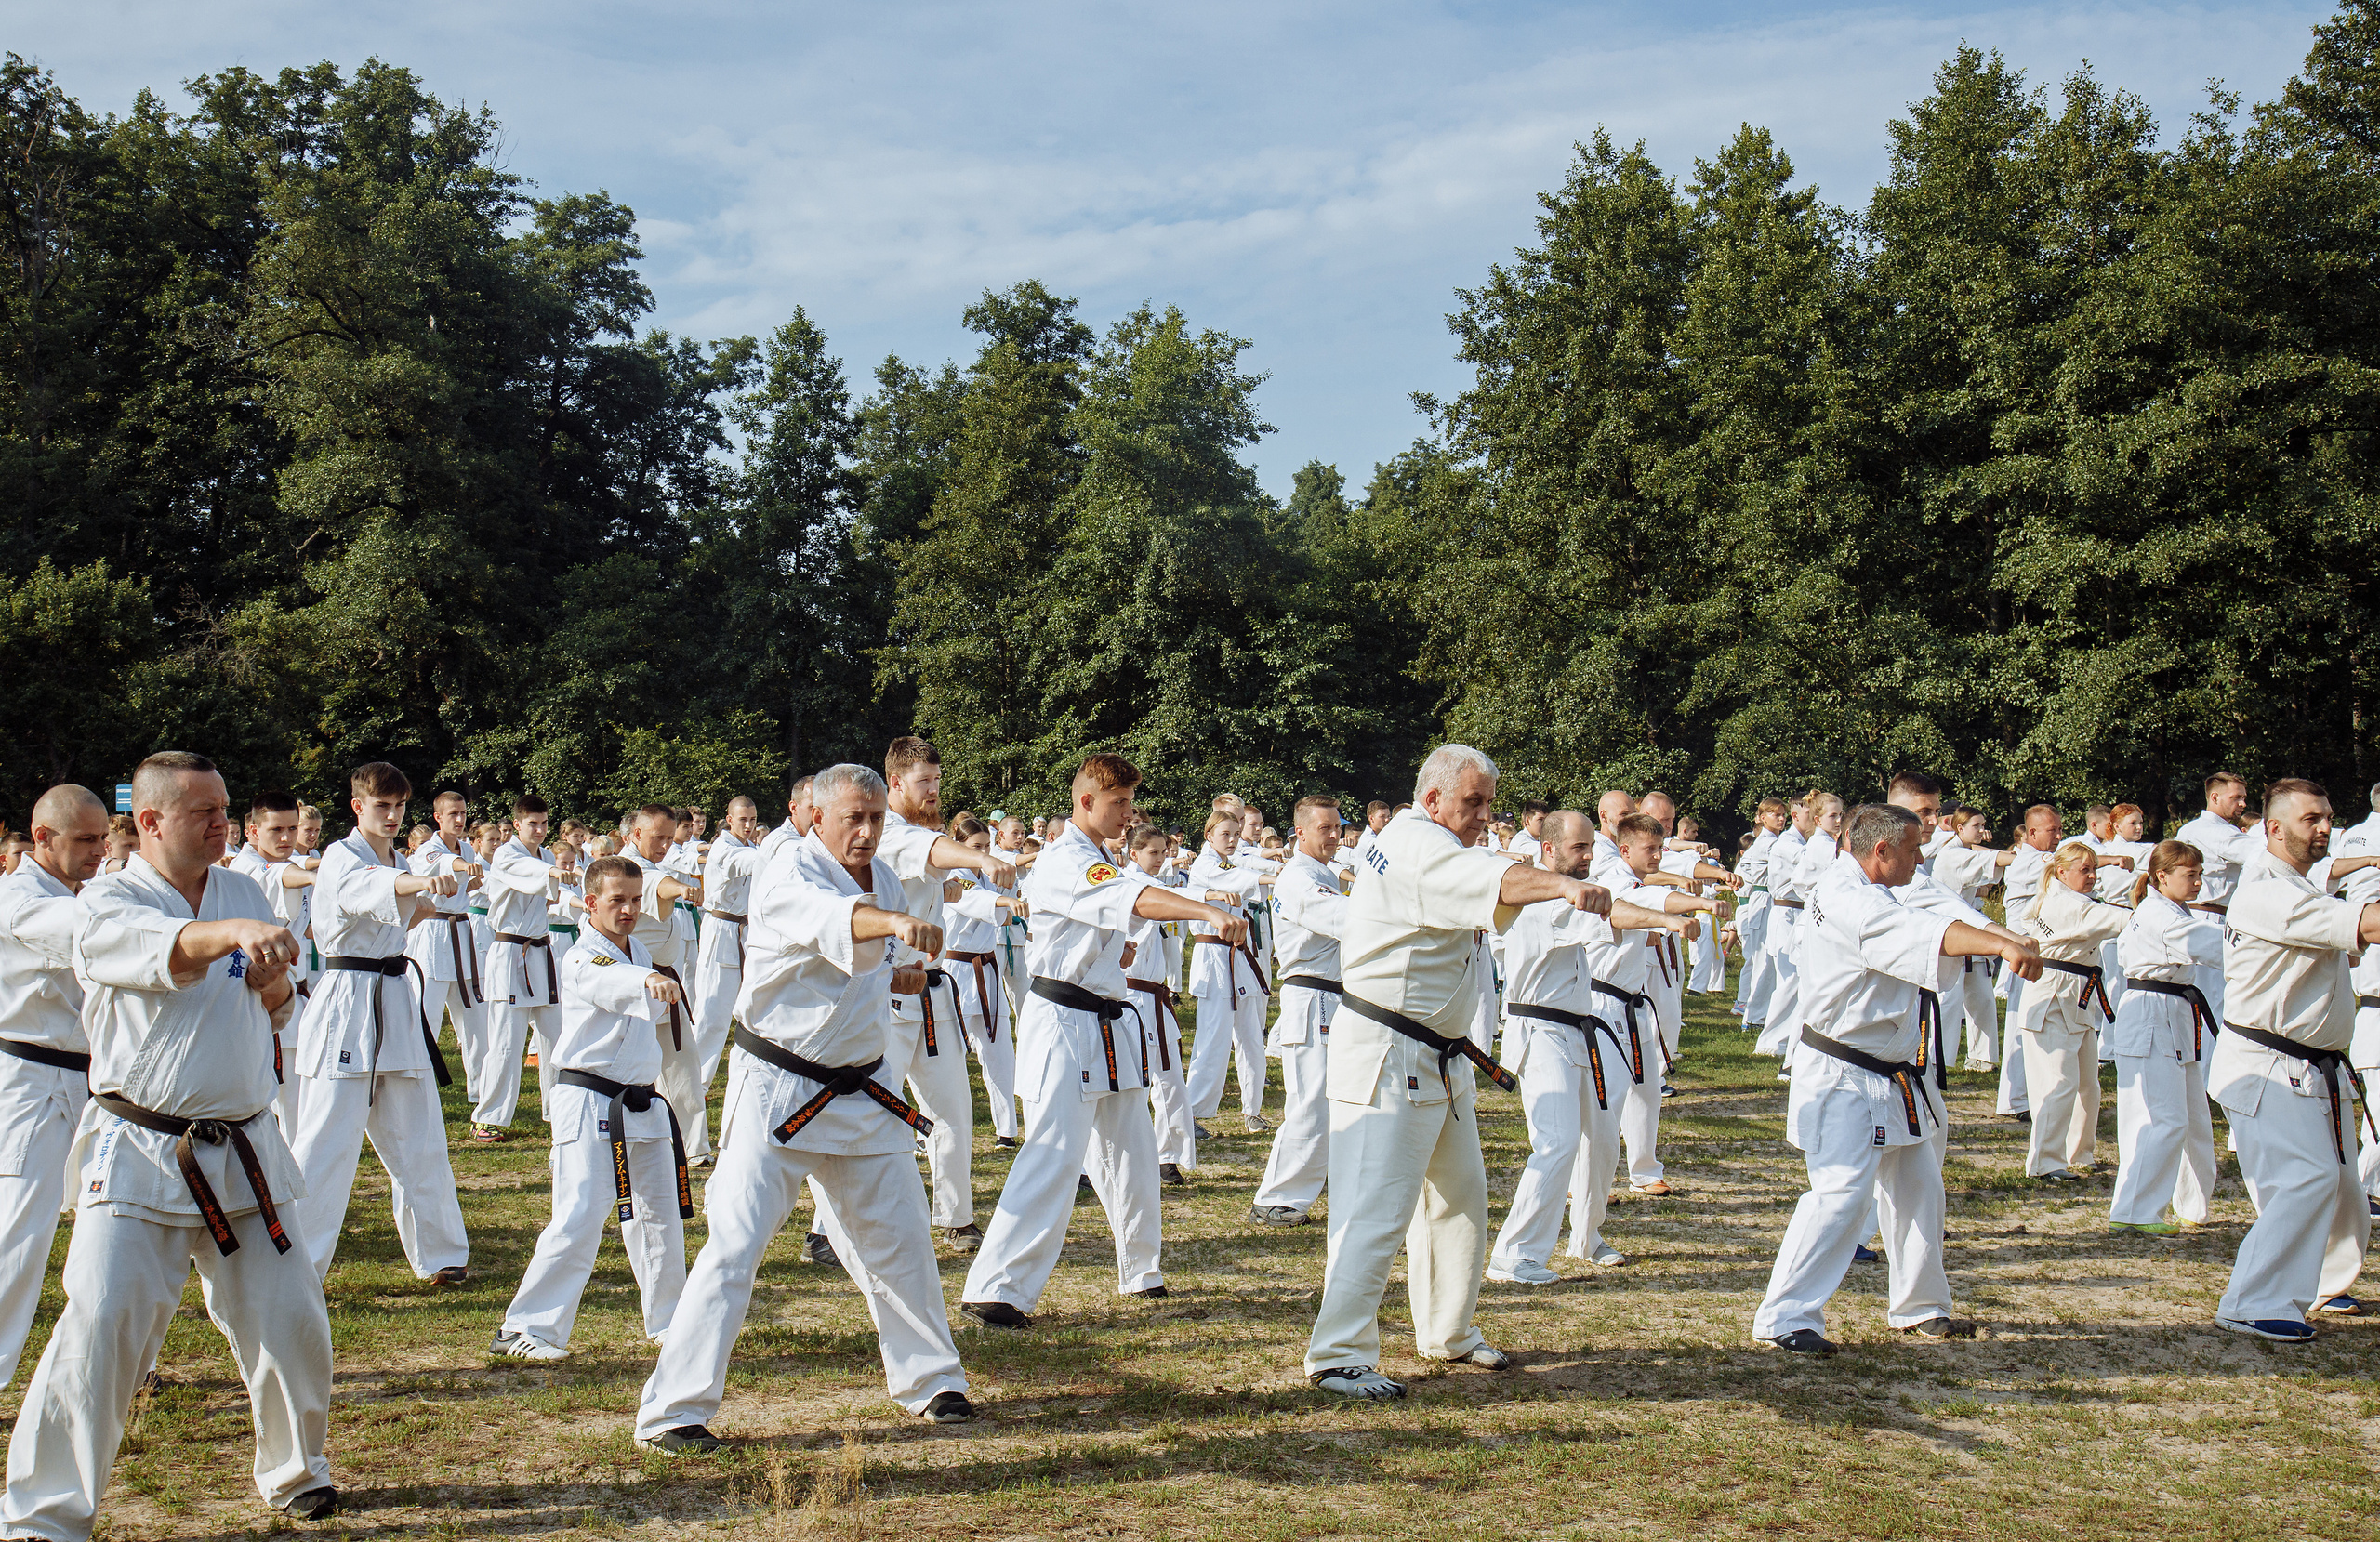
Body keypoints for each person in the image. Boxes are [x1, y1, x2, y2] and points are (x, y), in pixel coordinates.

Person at [1, 752, 338, 1535]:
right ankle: (44, 1510)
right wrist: (236, 934)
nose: (222, 823)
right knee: (102, 1323)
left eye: (224, 808)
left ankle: (297, 1471)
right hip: (141, 1147)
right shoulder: (109, 901)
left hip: (246, 1146)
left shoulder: (245, 889)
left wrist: (272, 980)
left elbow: (278, 1006)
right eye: (203, 812)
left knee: (292, 1319)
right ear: (149, 822)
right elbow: (168, 951)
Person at [637, 764, 972, 1450]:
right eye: (853, 817)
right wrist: (899, 922)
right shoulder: (785, 867)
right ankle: (673, 1410)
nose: (868, 830)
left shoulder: (880, 875)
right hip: (779, 1089)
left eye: (876, 818)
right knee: (735, 1246)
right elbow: (835, 921)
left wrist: (896, 969)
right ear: (815, 816)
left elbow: (857, 968)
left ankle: (933, 1378)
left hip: (864, 1088)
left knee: (903, 1238)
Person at [1302, 745, 1613, 1401]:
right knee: (1374, 1207)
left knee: (1460, 1198)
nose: (1484, 815)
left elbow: (1485, 872)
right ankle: (1337, 1353)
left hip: (1435, 1054)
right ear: (1435, 797)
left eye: (1490, 803)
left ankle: (1447, 1330)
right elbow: (1499, 882)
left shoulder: (1424, 841)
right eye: (1473, 802)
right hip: (1389, 1051)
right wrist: (1561, 882)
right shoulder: (1417, 844)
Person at [959, 755, 1246, 1328]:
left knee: (1134, 1152)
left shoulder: (1100, 855)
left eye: (1131, 802)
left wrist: (1110, 953)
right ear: (1086, 802)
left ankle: (1141, 1271)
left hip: (1109, 1020)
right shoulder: (1068, 857)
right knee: (1052, 1155)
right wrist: (1206, 910)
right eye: (1118, 804)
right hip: (1063, 1022)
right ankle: (996, 1287)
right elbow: (1135, 900)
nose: (1128, 814)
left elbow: (1124, 897)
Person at [1752, 803, 2040, 1356]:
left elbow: (1934, 905)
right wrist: (2001, 946)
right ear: (1880, 851)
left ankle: (1920, 1305)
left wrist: (1999, 930)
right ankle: (1784, 1315)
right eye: (1913, 849)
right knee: (1839, 1196)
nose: (1922, 857)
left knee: (1918, 1187)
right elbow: (1922, 931)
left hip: (1890, 1074)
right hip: (1842, 1072)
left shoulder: (1874, 885)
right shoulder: (1852, 901)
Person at [492, 855, 691, 1361]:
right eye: (616, 900)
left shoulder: (638, 946)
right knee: (579, 1214)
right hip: (588, 1098)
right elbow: (611, 981)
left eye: (634, 899)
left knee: (659, 1215)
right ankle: (525, 1327)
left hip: (639, 1100)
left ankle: (670, 1320)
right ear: (590, 903)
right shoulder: (583, 956)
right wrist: (646, 981)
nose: (627, 909)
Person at [1489, 810, 1696, 1283]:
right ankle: (1515, 1253)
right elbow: (1615, 911)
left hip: (1579, 1029)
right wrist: (1666, 920)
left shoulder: (1566, 893)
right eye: (1578, 848)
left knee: (1602, 1138)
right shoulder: (1545, 897)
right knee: (1557, 1142)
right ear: (1549, 849)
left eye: (1589, 846)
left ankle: (1587, 1236)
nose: (1587, 856)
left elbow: (1615, 905)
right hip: (1540, 1032)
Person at [2206, 779, 2380, 1339]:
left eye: (2328, 816)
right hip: (2267, 1065)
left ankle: (2324, 1284)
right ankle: (2252, 1300)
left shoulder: (2300, 886)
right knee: (2305, 1180)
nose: (2325, 827)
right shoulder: (2265, 891)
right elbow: (2368, 925)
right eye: (2312, 819)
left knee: (2344, 1189)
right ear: (2274, 828)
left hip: (2312, 1065)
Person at [287, 762, 470, 1284]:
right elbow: (376, 887)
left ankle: (441, 1255)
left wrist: (442, 888)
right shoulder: (341, 859)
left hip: (394, 995)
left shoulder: (400, 857)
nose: (392, 817)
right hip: (347, 1000)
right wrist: (419, 879)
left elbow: (407, 909)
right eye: (381, 806)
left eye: (399, 807)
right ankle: (296, 1265)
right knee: (325, 1143)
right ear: (357, 806)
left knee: (421, 1134)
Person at [877, 738, 1017, 1251]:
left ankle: (956, 1217)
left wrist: (964, 887)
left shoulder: (924, 831)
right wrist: (983, 860)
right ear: (895, 783)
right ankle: (826, 1230)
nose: (934, 791)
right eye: (923, 783)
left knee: (954, 1109)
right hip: (886, 990)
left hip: (932, 991)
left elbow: (935, 878)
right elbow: (930, 855)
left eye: (937, 782)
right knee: (874, 1106)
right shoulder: (886, 830)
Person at [0, 785, 107, 1390]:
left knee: (112, 1223)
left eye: (102, 838)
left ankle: (117, 1359)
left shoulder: (81, 892)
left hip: (88, 1080)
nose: (98, 851)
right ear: (42, 837)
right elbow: (82, 929)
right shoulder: (19, 899)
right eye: (85, 840)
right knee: (21, 1232)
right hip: (28, 1082)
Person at [2107, 841, 2224, 1233]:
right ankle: (2134, 1211)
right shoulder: (2160, 915)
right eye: (2190, 875)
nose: (2197, 882)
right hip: (2152, 1014)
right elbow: (2211, 946)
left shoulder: (2172, 910)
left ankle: (2193, 1205)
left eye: (2199, 874)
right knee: (2163, 1119)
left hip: (2175, 1012)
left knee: (2194, 1119)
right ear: (2162, 876)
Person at [1250, 795, 1350, 1227]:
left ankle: (1329, 1184)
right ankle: (1278, 1197)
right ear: (1301, 832)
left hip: (1336, 995)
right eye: (1324, 829)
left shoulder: (1323, 873)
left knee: (1339, 1099)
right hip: (1312, 996)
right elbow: (1343, 919)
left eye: (1337, 828)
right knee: (1310, 1100)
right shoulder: (1298, 878)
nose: (1333, 836)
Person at [2008, 842, 2128, 1181]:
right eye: (2084, 870)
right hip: (2053, 996)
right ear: (2062, 872)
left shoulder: (2067, 898)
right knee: (2059, 1080)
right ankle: (2045, 1161)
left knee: (2088, 1084)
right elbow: (2121, 919)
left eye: (2094, 870)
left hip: (2077, 997)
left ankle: (2080, 1152)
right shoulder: (2068, 905)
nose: (2092, 877)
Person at [476, 796, 565, 1142]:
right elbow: (528, 875)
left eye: (544, 823)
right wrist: (553, 871)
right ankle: (489, 1117)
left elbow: (554, 894)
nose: (540, 830)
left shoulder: (544, 856)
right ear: (516, 824)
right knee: (506, 1041)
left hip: (540, 952)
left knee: (554, 1037)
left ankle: (558, 1109)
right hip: (510, 952)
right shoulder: (506, 854)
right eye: (533, 823)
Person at [229, 792, 318, 1132]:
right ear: (252, 831)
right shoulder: (246, 867)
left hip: (292, 991)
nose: (286, 838)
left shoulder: (294, 864)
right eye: (275, 830)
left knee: (295, 1100)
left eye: (292, 829)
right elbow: (282, 875)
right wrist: (317, 875)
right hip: (256, 994)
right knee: (283, 1101)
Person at [685, 797, 765, 1166]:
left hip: (748, 934)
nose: (747, 825)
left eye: (752, 820)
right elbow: (749, 863)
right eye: (742, 819)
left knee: (756, 1017)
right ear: (728, 820)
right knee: (711, 1025)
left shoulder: (753, 846)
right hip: (721, 931)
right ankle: (688, 1124)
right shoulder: (723, 848)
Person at [1185, 810, 1270, 1134]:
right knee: (1213, 1038)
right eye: (1226, 834)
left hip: (1240, 956)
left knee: (1251, 1036)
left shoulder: (1235, 861)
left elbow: (1253, 867)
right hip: (1213, 957)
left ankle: (1253, 1110)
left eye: (1237, 834)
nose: (1233, 840)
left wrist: (1282, 870)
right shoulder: (1206, 865)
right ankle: (1192, 1111)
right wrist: (1275, 877)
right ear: (1209, 836)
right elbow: (1235, 878)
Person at [944, 814, 1024, 1149]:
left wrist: (1010, 897)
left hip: (988, 970)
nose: (984, 852)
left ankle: (1007, 1129)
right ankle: (937, 1129)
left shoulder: (989, 877)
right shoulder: (952, 875)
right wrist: (1007, 904)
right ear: (959, 846)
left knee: (1000, 1053)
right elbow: (973, 902)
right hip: (958, 971)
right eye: (977, 847)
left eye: (987, 846)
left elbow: (1016, 891)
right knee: (949, 1056)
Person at [1121, 825, 1195, 1182]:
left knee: (1170, 1079)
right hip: (1129, 996)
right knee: (1129, 1081)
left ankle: (1167, 1154)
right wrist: (1208, 899)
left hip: (1154, 995)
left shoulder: (1161, 886)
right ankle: (1106, 1159)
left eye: (1165, 851)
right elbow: (1171, 898)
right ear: (1134, 853)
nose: (1161, 857)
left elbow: (1181, 893)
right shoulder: (1127, 885)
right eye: (1153, 852)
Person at [406, 792, 488, 1105]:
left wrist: (472, 876)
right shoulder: (430, 849)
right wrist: (465, 867)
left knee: (475, 1022)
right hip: (433, 937)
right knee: (424, 1017)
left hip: (461, 936)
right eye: (453, 813)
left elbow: (471, 879)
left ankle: (480, 1093)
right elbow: (444, 864)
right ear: (438, 817)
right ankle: (416, 1090)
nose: (460, 819)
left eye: (463, 812)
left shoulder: (467, 847)